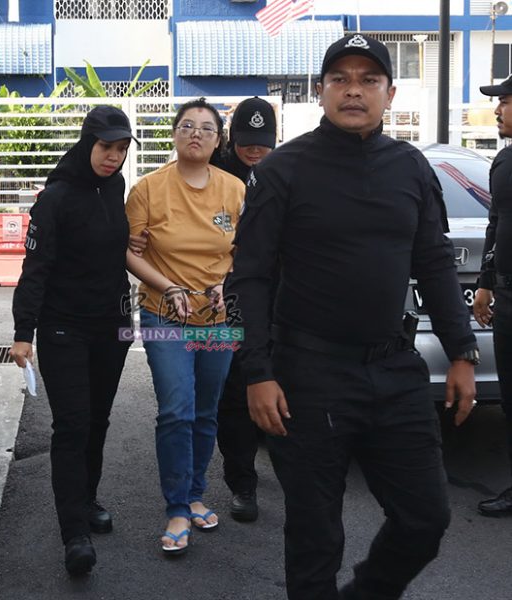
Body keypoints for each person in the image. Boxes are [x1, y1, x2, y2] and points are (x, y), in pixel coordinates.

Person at [226, 34, 478, 599]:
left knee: (425, 519)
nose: (354, 91)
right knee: (315, 539)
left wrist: (461, 352)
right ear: (321, 92)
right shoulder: (284, 170)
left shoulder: (410, 167)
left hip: (394, 371)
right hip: (306, 375)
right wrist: (257, 372)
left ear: (390, 93)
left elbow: (434, 262)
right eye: (340, 79)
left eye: (369, 80)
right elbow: (249, 278)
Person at [10, 105, 138, 576]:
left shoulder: (116, 188)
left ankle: (86, 499)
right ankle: (74, 534)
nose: (113, 156)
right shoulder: (56, 198)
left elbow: (115, 245)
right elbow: (35, 268)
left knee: (98, 420)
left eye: (121, 149)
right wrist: (23, 332)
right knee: (72, 425)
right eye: (106, 147)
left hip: (112, 327)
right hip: (63, 327)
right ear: (87, 144)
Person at [125, 98, 245, 555]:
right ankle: (177, 506)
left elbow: (245, 250)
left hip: (217, 317)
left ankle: (195, 494)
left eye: (206, 128)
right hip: (165, 313)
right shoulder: (148, 189)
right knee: (176, 408)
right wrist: (169, 285)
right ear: (174, 134)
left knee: (207, 410)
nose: (196, 133)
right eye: (187, 126)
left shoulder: (235, 189)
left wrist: (226, 285)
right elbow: (130, 251)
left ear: (219, 140)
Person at [214, 96, 277, 522]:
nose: (255, 150)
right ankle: (242, 482)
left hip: (276, 298)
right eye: (246, 142)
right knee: (235, 392)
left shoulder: (287, 171)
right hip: (227, 298)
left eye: (263, 143)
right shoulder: (213, 173)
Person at [474, 74, 512, 517]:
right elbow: (496, 224)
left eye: (504, 101)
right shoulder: (503, 162)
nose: (497, 109)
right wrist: (485, 282)